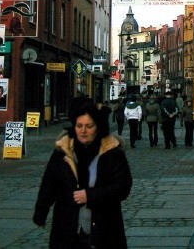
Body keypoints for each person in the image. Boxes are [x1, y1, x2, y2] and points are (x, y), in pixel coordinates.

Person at [33, 101, 132, 249]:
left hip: (104, 227)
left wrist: (91, 195)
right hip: (67, 225)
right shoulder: (63, 150)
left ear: (97, 127)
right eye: (79, 126)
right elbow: (49, 183)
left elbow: (123, 186)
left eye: (89, 126)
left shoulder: (112, 151)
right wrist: (41, 211)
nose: (83, 130)